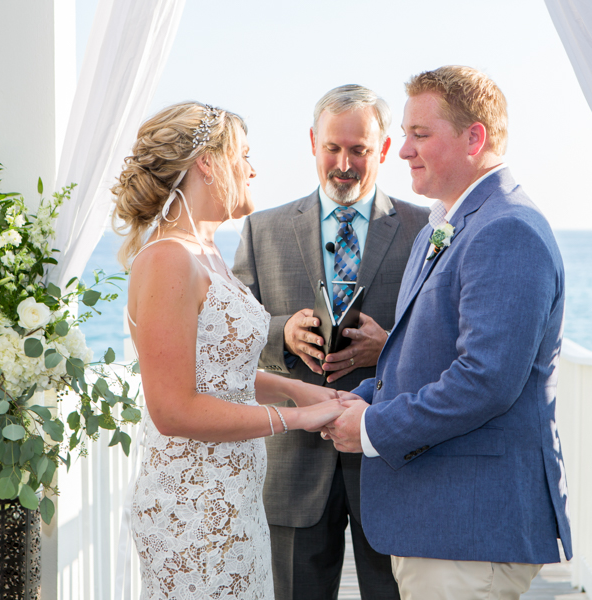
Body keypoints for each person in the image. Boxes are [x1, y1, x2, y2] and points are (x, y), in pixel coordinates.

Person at [325, 66, 573, 600]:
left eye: (420, 135)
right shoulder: (450, 222)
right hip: (440, 524)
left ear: (474, 138)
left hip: (469, 529)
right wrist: (356, 398)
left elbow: (485, 380)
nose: (403, 151)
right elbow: (423, 357)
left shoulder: (506, 229)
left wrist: (372, 429)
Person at [112, 101, 345, 600]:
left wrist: (298, 392)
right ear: (207, 163)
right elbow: (173, 409)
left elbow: (220, 367)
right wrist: (296, 420)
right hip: (190, 509)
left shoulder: (207, 251)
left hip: (235, 500)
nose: (253, 169)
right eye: (243, 154)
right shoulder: (168, 261)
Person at [233, 85, 428, 600]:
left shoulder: (426, 229)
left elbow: (445, 340)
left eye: (359, 150)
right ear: (313, 142)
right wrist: (282, 334)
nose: (344, 164)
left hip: (389, 461)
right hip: (294, 465)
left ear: (383, 149)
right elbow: (230, 335)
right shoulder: (262, 229)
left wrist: (387, 347)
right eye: (333, 148)